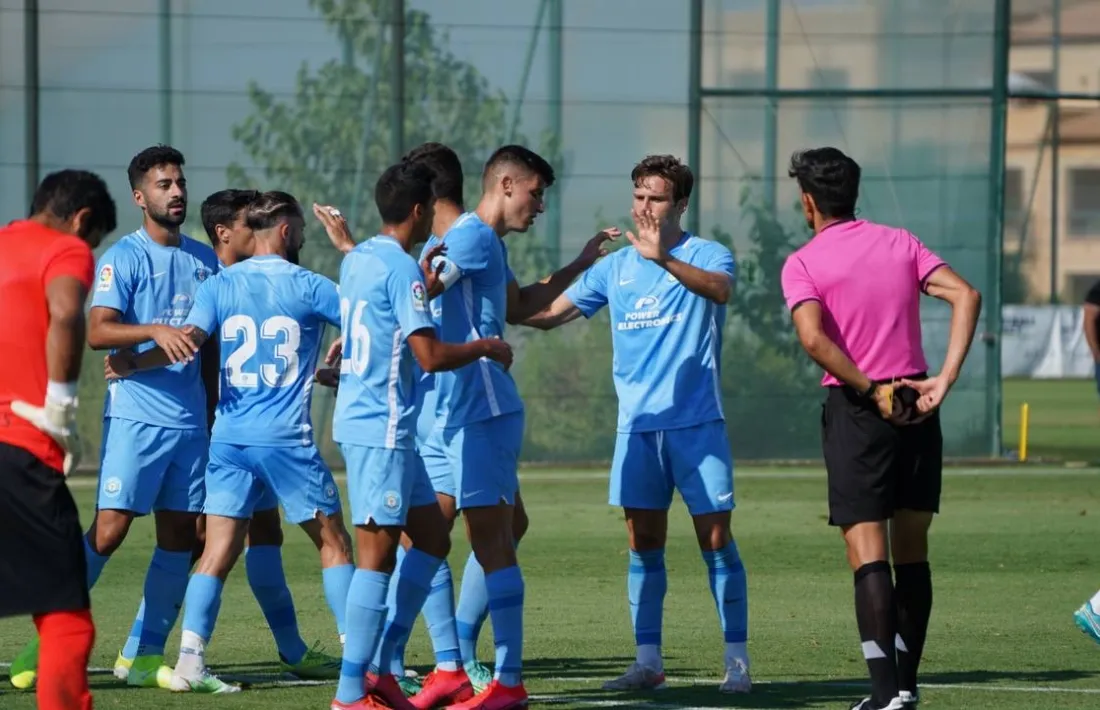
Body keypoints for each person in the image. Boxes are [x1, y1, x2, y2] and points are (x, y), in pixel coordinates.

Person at [104, 191, 355, 692]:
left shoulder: (219, 285)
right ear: (285, 231)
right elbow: (372, 317)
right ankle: (362, 658)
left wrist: (135, 361)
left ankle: (191, 660)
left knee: (216, 551)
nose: (303, 237)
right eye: (300, 229)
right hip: (286, 440)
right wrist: (350, 254)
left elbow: (187, 343)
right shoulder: (308, 285)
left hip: (230, 439)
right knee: (334, 543)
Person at [521, 154, 751, 694]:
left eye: (657, 198)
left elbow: (721, 291)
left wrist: (661, 259)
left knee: (715, 538)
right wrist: (488, 299)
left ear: (682, 204)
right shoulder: (614, 267)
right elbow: (545, 314)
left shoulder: (707, 254)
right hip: (638, 430)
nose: (645, 207)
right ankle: (648, 662)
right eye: (640, 197)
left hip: (697, 426)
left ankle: (736, 661)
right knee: (642, 541)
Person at [9, 145, 221, 690]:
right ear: (139, 196)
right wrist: (152, 331)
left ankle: (144, 657)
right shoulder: (121, 258)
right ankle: (44, 641)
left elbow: (209, 342)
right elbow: (98, 330)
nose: (176, 192)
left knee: (182, 535)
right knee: (109, 531)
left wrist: (214, 406)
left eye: (179, 182)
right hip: (137, 419)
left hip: (190, 423)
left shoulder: (205, 259)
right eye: (163, 184)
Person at [778, 147, 981, 710]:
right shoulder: (901, 241)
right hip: (918, 403)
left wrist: (870, 390)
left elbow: (815, 340)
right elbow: (967, 295)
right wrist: (943, 379)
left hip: (859, 409)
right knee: (911, 551)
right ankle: (907, 685)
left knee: (867, 553)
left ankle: (885, 693)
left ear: (809, 201)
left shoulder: (804, 262)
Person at [330, 160, 513, 710]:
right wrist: (485, 346)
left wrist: (424, 284)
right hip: (380, 427)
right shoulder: (401, 268)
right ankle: (349, 694)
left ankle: (405, 669)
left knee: (433, 536)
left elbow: (383, 320)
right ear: (418, 210)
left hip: (386, 425)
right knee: (376, 557)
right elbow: (429, 357)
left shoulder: (359, 257)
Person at [0, 169, 117, 710]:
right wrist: (61, 404)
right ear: (82, 220)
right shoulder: (64, 248)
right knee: (66, 617)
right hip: (19, 450)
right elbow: (69, 311)